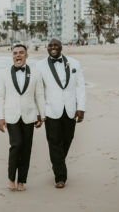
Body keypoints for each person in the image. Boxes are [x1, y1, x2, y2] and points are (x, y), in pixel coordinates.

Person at [0, 44, 45, 191]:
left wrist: (42, 115)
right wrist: (0, 117)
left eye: (21, 53)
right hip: (11, 116)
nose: (18, 55)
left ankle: (22, 180)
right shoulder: (3, 74)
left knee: (27, 149)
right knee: (16, 145)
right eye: (15, 53)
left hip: (29, 116)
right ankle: (11, 178)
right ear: (12, 56)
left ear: (26, 55)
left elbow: (39, 95)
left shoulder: (35, 73)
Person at [37, 38, 86, 189]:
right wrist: (39, 112)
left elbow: (80, 86)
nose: (53, 47)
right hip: (51, 110)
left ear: (61, 47)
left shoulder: (74, 63)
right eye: (50, 45)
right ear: (47, 48)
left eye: (56, 45)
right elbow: (38, 91)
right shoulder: (39, 66)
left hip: (70, 110)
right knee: (54, 142)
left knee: (67, 139)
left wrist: (81, 107)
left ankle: (58, 163)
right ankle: (60, 176)